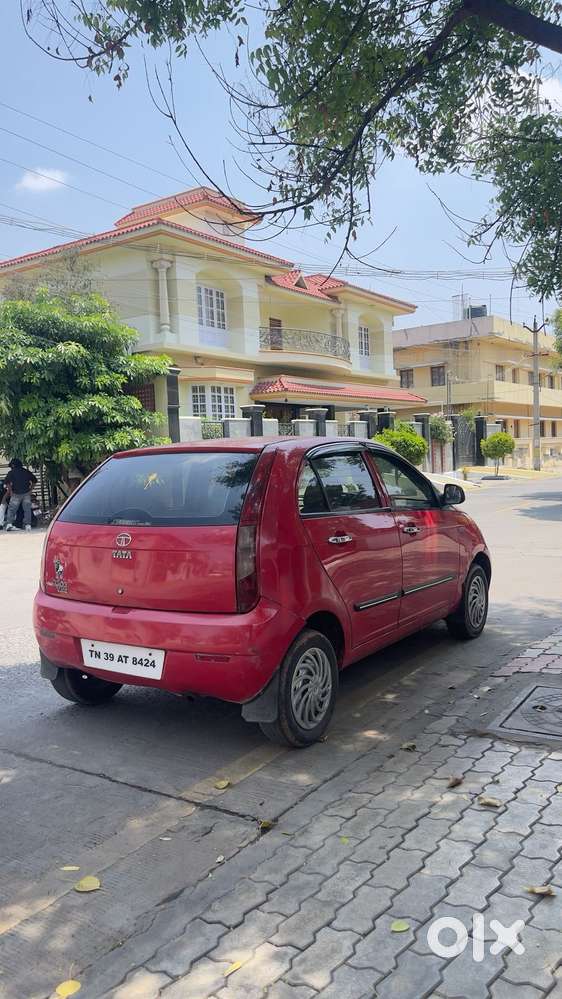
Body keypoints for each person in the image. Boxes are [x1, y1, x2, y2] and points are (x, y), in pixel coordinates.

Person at [4, 459, 37, 532]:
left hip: (16, 494)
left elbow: (7, 482)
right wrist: (30, 490)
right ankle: (28, 525)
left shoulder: (11, 472)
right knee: (27, 510)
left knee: (12, 509)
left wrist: (11, 491)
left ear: (13, 465)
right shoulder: (26, 471)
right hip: (26, 493)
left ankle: (9, 524)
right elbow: (34, 480)